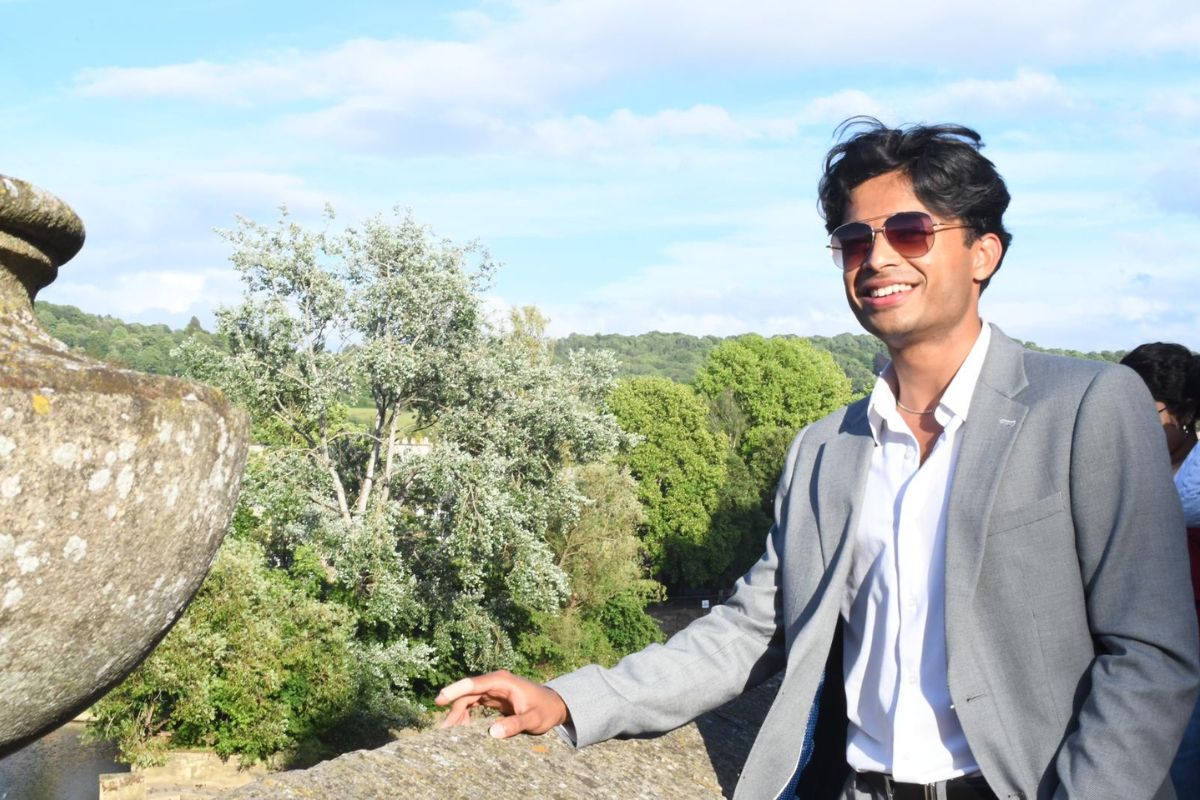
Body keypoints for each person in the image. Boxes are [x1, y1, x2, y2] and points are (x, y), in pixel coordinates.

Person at [437, 120, 1200, 800]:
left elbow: (1150, 653)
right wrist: (571, 699)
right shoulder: (825, 449)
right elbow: (748, 630)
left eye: (910, 230)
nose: (876, 257)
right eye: (854, 240)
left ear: (983, 252)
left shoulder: (1088, 406)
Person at [1120, 342, 1200, 799]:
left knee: (1182, 753)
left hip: (1186, 633)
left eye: (1145, 413)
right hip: (1128, 637)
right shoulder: (1121, 459)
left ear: (1183, 411)